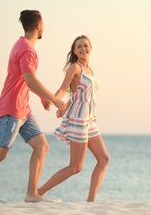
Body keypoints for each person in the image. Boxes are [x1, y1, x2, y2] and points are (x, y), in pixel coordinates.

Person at [0, 10, 66, 204]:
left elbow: (26, 81)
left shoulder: (21, 44)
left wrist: (42, 98)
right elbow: (30, 80)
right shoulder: (27, 50)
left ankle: (31, 194)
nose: (44, 27)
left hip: (23, 109)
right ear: (38, 26)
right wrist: (53, 99)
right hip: (12, 109)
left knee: (41, 146)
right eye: (43, 24)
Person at [38, 35, 109, 202]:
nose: (83, 49)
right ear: (75, 51)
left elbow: (79, 93)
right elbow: (63, 89)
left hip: (90, 119)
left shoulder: (90, 69)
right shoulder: (75, 68)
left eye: (85, 45)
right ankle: (38, 192)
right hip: (79, 119)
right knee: (75, 167)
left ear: (90, 47)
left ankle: (91, 201)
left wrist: (68, 105)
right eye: (79, 47)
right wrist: (55, 100)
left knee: (104, 159)